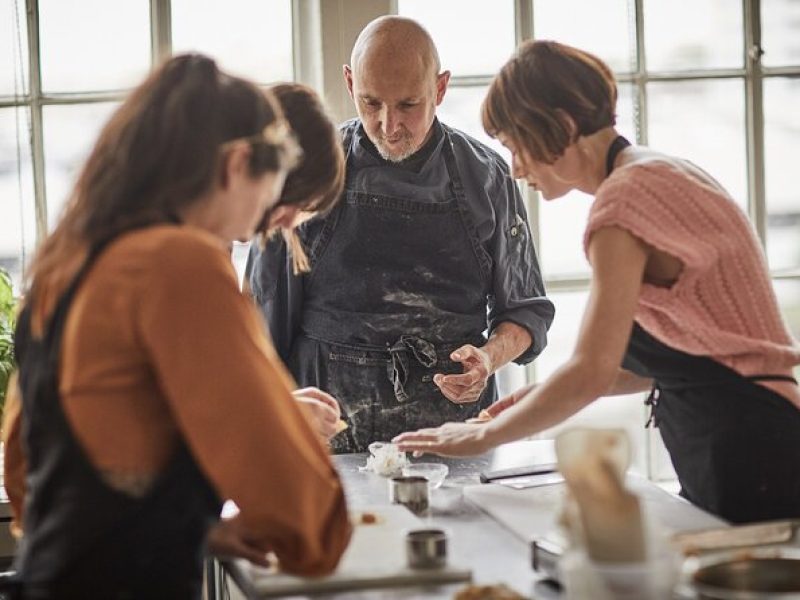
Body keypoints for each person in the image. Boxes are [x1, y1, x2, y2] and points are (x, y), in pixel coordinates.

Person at [395, 40, 800, 524]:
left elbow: (590, 368)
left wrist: (479, 437)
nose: (517, 169)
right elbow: (686, 357)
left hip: (748, 444)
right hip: (753, 430)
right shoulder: (660, 172)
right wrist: (532, 400)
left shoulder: (622, 204)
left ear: (563, 128)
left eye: (518, 146)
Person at [2, 54, 351, 599]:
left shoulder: (64, 262)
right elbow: (310, 526)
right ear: (237, 164)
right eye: (272, 184)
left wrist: (200, 532)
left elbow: (31, 480)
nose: (267, 219)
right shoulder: (181, 264)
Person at [247, 16, 555, 454]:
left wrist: (488, 358)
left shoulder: (486, 178)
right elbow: (260, 330)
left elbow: (526, 312)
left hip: (454, 436)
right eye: (371, 103)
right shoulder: (309, 178)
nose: (389, 125)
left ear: (441, 89)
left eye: (408, 105)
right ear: (350, 83)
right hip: (327, 434)